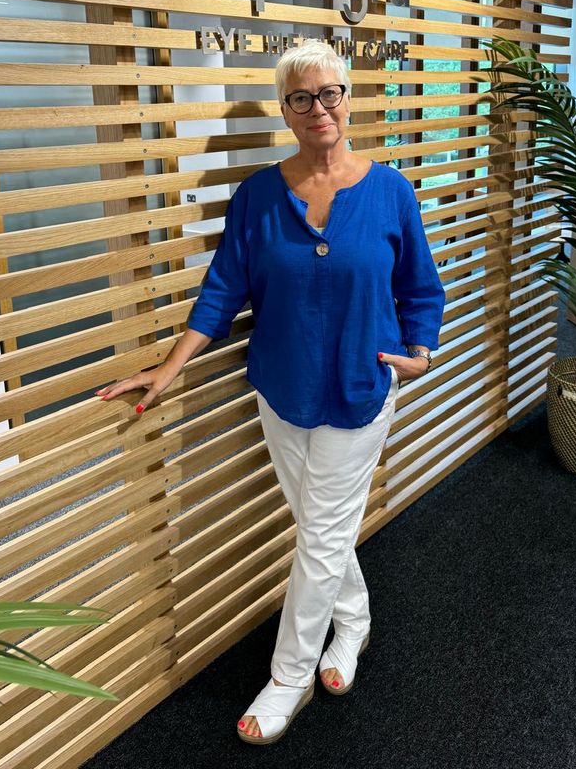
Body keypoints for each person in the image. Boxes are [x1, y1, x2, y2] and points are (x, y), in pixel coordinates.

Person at [96, 38, 445, 745]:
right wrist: (169, 369)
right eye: (300, 97)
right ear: (286, 111)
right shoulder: (258, 197)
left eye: (330, 93)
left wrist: (420, 353)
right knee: (321, 528)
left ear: (348, 99)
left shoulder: (391, 191)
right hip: (280, 391)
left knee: (318, 537)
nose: (318, 108)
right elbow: (222, 289)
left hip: (359, 390)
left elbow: (419, 289)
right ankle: (354, 622)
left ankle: (289, 677)